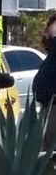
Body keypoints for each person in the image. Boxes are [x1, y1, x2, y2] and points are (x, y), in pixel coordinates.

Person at [33, 15, 56, 148]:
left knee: (50, 152)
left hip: (54, 107)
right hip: (48, 105)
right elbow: (46, 40)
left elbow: (48, 37)